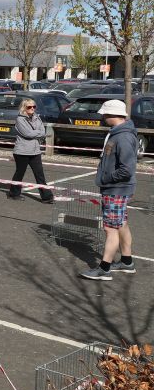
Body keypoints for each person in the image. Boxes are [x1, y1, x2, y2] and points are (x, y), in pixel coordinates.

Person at [80, 99, 137, 281]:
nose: (103, 117)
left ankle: (104, 268)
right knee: (120, 224)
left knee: (110, 228)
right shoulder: (118, 134)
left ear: (113, 115)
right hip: (116, 189)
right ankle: (126, 262)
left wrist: (105, 179)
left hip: (115, 189)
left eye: (105, 114)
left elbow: (126, 169)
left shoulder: (123, 137)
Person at [8, 99, 53, 203]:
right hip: (22, 151)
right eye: (29, 107)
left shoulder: (37, 117)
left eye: (34, 106)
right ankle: (13, 193)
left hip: (35, 151)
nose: (32, 108)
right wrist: (38, 133)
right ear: (24, 107)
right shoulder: (20, 119)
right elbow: (27, 134)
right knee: (20, 173)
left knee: (40, 174)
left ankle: (47, 197)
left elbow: (43, 131)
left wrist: (36, 132)